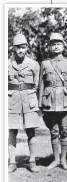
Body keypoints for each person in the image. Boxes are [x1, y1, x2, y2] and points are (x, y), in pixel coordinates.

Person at [38, 33, 67, 170]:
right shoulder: (45, 63)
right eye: (53, 44)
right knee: (53, 131)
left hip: (66, 100)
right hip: (50, 101)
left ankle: (64, 160)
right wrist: (39, 102)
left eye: (58, 44)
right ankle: (56, 160)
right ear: (49, 47)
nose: (56, 46)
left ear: (63, 46)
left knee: (64, 130)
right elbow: (41, 84)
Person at [8, 34, 40, 173]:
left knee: (31, 131)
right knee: (11, 132)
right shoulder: (7, 64)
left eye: (23, 47)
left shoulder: (33, 64)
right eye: (18, 47)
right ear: (13, 49)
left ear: (27, 47)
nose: (21, 50)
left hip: (29, 100)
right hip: (12, 100)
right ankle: (12, 162)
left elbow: (37, 84)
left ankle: (32, 161)